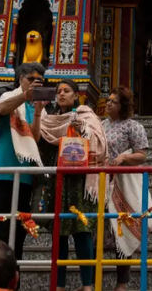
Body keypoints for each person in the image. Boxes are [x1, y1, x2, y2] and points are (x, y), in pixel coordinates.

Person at [38, 80, 108, 291]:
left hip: (80, 180)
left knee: (82, 231)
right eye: (58, 91)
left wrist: (83, 130)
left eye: (66, 91)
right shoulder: (48, 118)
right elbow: (40, 140)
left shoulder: (85, 115)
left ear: (76, 95)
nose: (61, 94)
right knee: (58, 233)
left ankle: (87, 285)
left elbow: (99, 141)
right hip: (58, 179)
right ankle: (59, 285)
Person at [0, 63, 46, 268]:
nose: (35, 83)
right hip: (1, 173)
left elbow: (35, 138)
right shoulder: (9, 96)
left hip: (25, 177)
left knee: (19, 233)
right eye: (31, 79)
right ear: (21, 79)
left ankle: (13, 278)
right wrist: (24, 95)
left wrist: (37, 112)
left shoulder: (32, 106)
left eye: (39, 81)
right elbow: (2, 109)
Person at [103, 86, 152, 291]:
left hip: (124, 183)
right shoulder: (101, 125)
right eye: (108, 100)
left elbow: (142, 156)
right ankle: (90, 281)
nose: (108, 103)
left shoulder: (134, 126)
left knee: (123, 230)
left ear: (123, 106)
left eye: (113, 101)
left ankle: (122, 283)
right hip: (102, 182)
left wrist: (124, 158)